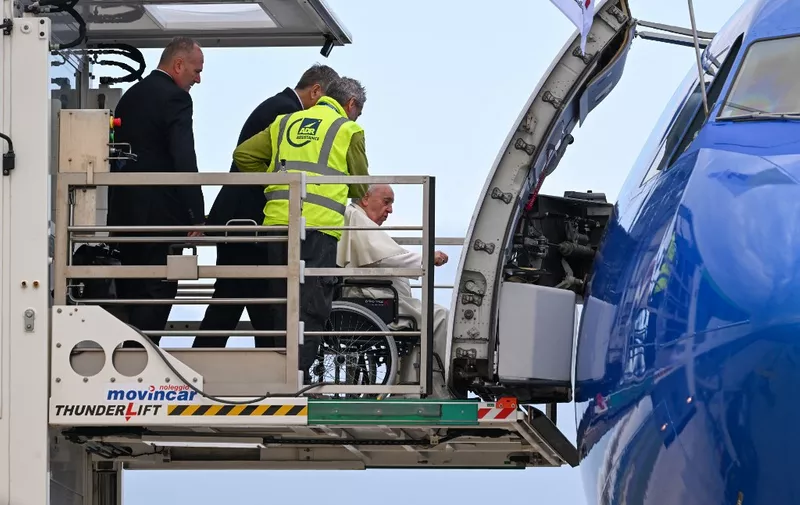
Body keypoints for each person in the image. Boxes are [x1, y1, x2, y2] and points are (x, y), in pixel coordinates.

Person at [232, 76, 370, 382]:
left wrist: (272, 179)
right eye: (357, 112)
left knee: (278, 305)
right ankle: (295, 380)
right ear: (350, 105)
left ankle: (274, 377)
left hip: (276, 226)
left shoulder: (285, 122)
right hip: (318, 230)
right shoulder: (348, 130)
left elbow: (242, 155)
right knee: (311, 308)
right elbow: (360, 187)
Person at [195, 64, 341, 348]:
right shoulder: (289, 115)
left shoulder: (278, 105)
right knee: (243, 299)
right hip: (245, 221)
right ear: (316, 91)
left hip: (239, 220)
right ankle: (269, 364)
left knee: (247, 299)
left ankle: (267, 362)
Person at [106, 36, 206, 346]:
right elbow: (183, 157)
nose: (198, 79)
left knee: (131, 291)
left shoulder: (131, 96)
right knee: (159, 289)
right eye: (195, 71)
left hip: (123, 215)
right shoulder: (176, 98)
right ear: (178, 65)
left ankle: (127, 361)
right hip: (160, 217)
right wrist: (196, 215)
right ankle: (144, 360)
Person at [336, 184, 451, 399]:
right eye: (386, 202)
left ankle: (411, 387)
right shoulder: (355, 217)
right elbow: (387, 259)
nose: (390, 210)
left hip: (377, 297)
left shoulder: (361, 221)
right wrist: (426, 258)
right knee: (440, 317)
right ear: (365, 198)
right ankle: (430, 389)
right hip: (373, 299)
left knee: (427, 319)